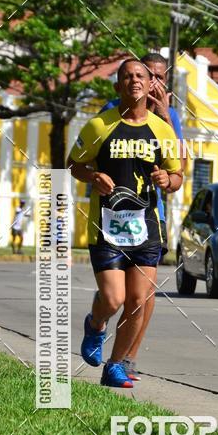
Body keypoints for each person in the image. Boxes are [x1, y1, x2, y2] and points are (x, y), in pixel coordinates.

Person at [68, 58, 182, 388]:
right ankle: (96, 322)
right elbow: (73, 165)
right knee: (115, 298)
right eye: (127, 77)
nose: (134, 81)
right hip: (107, 227)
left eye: (140, 77)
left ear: (150, 85)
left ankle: (115, 365)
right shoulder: (98, 126)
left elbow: (177, 176)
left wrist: (167, 180)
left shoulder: (163, 130)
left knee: (138, 300)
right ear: (118, 87)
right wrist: (93, 176)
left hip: (146, 226)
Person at [100, 52, 185, 380]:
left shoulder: (169, 116)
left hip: (152, 215)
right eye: (151, 76)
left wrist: (163, 115)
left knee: (143, 294)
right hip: (112, 215)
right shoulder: (111, 111)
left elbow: (179, 168)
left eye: (161, 78)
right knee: (113, 293)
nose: (154, 83)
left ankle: (126, 358)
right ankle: (99, 322)